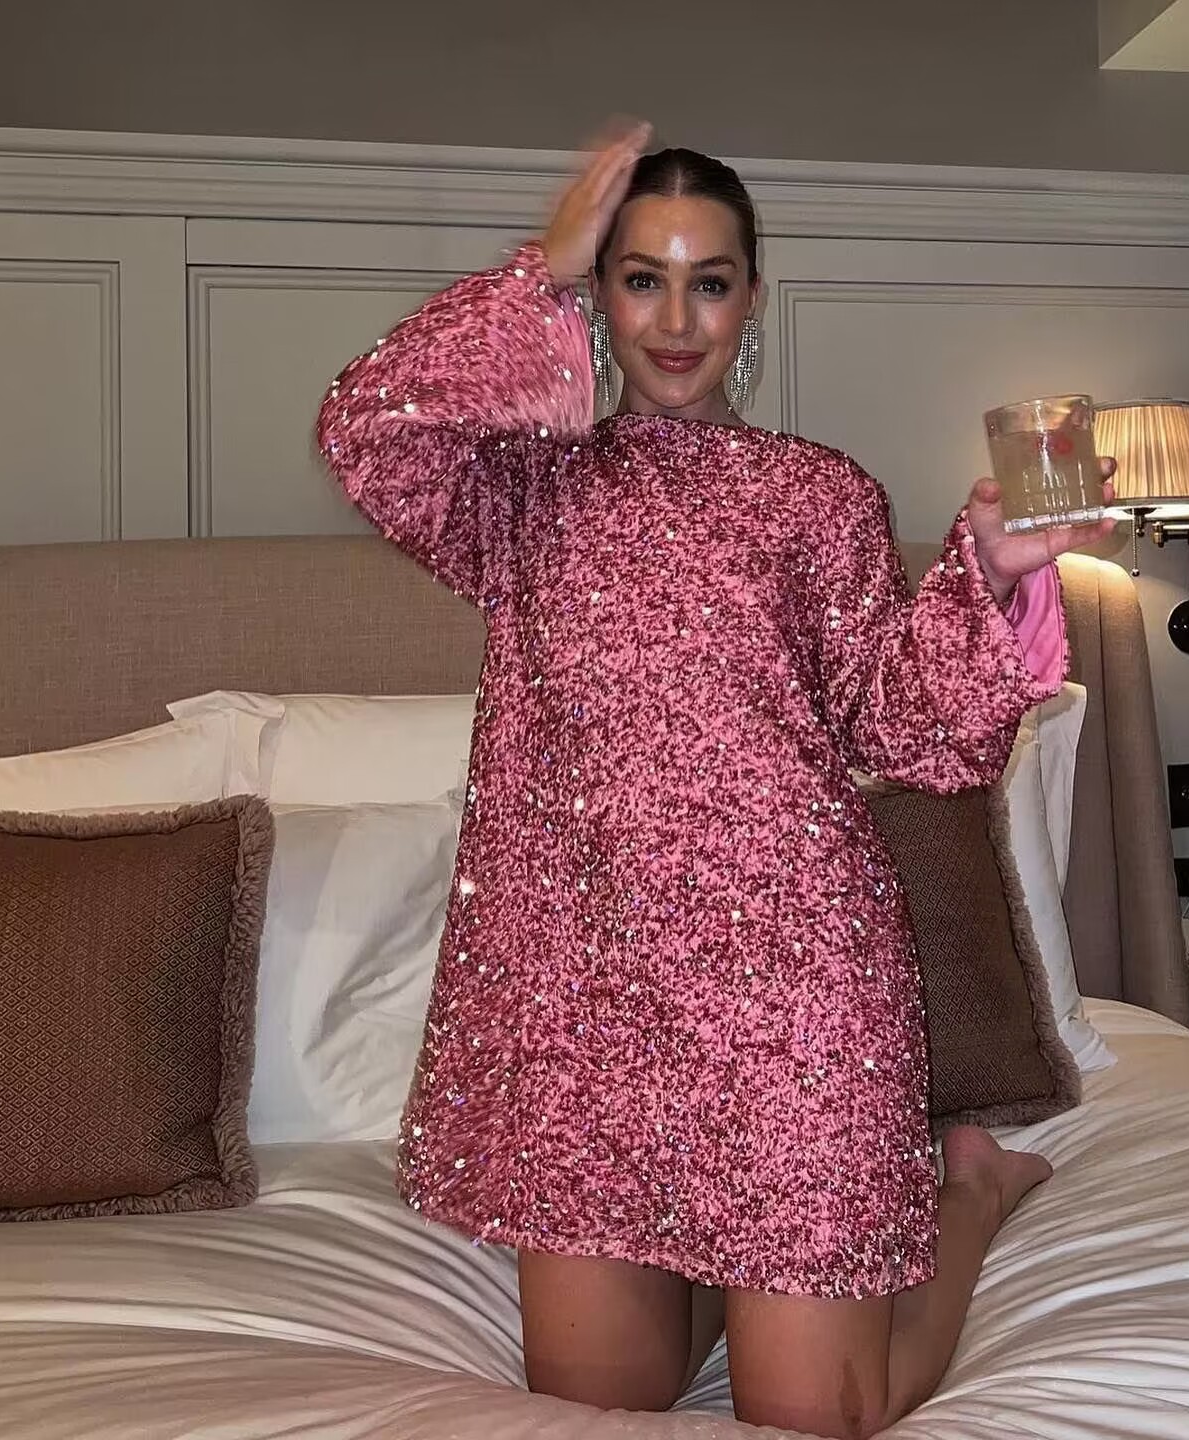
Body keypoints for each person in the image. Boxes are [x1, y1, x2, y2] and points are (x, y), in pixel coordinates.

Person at [317, 122, 1115, 1440]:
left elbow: (909, 731)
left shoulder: (820, 498)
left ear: (753, 299)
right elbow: (368, 429)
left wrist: (990, 571)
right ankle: (719, 1257)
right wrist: (536, 270)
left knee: (814, 1415)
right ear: (601, 292)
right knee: (599, 1406)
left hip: (793, 996)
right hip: (585, 1011)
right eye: (641, 278)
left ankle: (969, 1192)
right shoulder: (524, 498)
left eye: (710, 281)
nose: (676, 320)